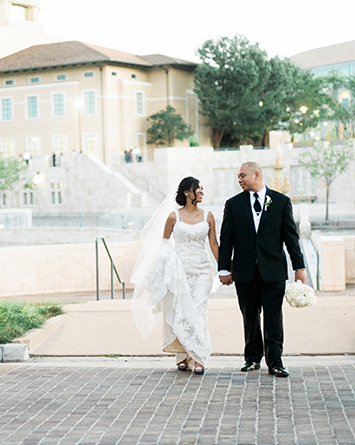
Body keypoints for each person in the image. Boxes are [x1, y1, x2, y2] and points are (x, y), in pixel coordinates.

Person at [218, 161, 306, 378]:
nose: (239, 180)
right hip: (244, 272)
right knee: (249, 316)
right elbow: (226, 239)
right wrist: (223, 269)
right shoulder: (233, 204)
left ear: (256, 175)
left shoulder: (281, 202)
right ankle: (252, 359)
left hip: (273, 271)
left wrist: (299, 267)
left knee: (273, 317)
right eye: (238, 177)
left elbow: (291, 237)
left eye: (242, 176)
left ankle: (275, 362)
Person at [131, 176, 219, 375]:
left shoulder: (209, 216)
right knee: (181, 310)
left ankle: (198, 357)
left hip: (203, 270)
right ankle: (182, 355)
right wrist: (163, 270)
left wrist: (224, 268)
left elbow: (214, 244)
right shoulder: (173, 217)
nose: (201, 192)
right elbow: (162, 245)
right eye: (198, 189)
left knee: (197, 309)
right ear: (187, 192)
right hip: (179, 272)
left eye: (202, 189)